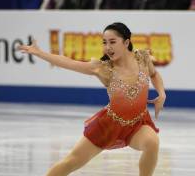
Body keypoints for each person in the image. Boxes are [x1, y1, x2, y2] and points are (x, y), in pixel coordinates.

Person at [18, 22, 166, 176]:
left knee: (152, 143)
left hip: (137, 123)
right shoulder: (103, 68)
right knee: (71, 162)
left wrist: (161, 93)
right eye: (104, 42)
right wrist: (39, 53)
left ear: (126, 42)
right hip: (109, 125)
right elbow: (69, 63)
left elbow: (154, 74)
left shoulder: (142, 58)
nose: (107, 47)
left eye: (112, 42)